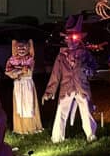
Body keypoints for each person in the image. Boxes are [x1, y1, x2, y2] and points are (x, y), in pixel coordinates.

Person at [42, 14, 98, 144]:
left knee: (86, 110)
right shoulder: (61, 56)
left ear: (79, 39)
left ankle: (91, 134)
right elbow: (55, 75)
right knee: (61, 111)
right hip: (66, 88)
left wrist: (89, 70)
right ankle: (57, 137)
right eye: (68, 39)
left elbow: (94, 66)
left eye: (74, 39)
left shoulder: (84, 54)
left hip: (81, 87)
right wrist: (49, 92)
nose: (71, 42)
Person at [4, 39, 44, 135]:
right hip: (18, 84)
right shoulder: (12, 60)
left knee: (29, 105)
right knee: (19, 105)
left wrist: (17, 70)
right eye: (19, 48)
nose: (21, 50)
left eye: (24, 48)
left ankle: (31, 127)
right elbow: (8, 71)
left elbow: (28, 70)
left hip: (27, 84)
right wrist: (20, 70)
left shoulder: (30, 59)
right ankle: (20, 128)